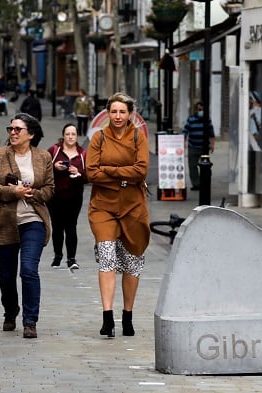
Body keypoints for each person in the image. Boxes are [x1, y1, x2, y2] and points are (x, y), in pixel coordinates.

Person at [0, 113, 54, 339]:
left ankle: (30, 320)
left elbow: (50, 189)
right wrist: (13, 191)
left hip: (33, 219)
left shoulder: (43, 157)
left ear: (30, 134)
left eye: (17, 129)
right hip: (4, 221)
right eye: (10, 129)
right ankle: (10, 311)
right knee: (6, 275)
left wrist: (34, 194)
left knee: (29, 270)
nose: (12, 133)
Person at [85, 92, 150, 338]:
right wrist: (124, 174)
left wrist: (109, 171)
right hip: (103, 206)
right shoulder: (99, 138)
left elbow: (141, 170)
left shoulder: (138, 137)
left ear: (130, 113)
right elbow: (91, 172)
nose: (118, 116)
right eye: (113, 111)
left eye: (122, 112)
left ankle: (128, 315)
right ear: (107, 113)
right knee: (107, 257)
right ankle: (107, 316)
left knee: (133, 263)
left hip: (133, 206)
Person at [46, 123, 86, 270]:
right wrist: (54, 167)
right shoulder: (54, 150)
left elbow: (89, 176)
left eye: (73, 134)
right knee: (57, 227)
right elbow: (42, 169)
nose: (70, 137)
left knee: (71, 227)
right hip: (55, 196)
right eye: (68, 134)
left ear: (77, 136)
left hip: (74, 197)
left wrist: (78, 173)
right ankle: (57, 256)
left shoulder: (83, 154)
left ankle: (71, 258)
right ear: (63, 136)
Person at [182, 101, 215, 191]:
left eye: (202, 109)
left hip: (204, 147)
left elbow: (211, 133)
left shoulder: (207, 119)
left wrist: (212, 144)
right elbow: (185, 131)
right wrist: (183, 142)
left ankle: (205, 182)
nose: (201, 111)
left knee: (205, 166)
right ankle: (196, 184)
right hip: (193, 146)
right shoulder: (191, 119)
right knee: (192, 166)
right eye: (199, 109)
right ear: (196, 110)